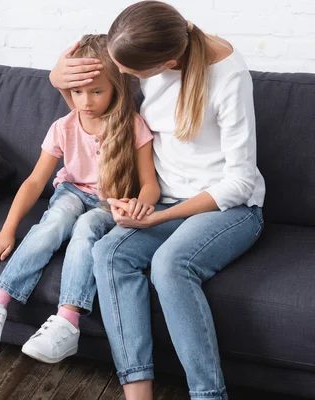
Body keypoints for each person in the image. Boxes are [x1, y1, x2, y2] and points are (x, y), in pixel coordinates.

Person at [49, 2, 265, 400]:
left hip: (229, 207)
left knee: (169, 264)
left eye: (130, 73)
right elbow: (98, 101)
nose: (125, 76)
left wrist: (158, 219)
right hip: (164, 200)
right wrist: (57, 78)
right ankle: (138, 395)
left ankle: (208, 395)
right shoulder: (150, 47)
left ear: (166, 62)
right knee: (110, 253)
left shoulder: (228, 78)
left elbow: (240, 181)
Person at [0, 34, 159, 364]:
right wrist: (7, 230)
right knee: (56, 219)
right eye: (77, 91)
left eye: (96, 91)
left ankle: (66, 323)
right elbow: (35, 181)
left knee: (86, 227)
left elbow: (150, 185)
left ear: (115, 87)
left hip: (110, 203)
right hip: (71, 191)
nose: (85, 100)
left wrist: (141, 204)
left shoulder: (132, 125)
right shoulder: (63, 127)